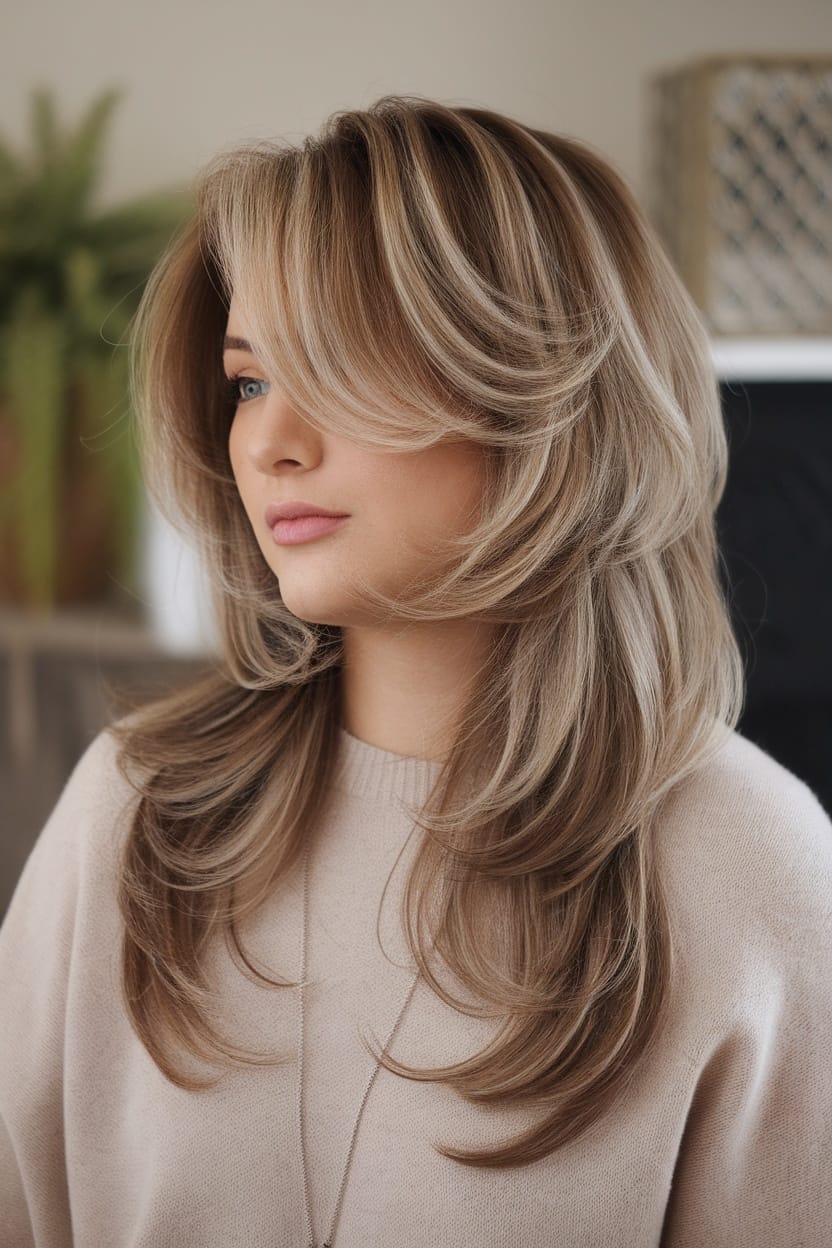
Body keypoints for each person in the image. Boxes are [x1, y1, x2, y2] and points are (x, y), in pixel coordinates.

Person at [1, 93, 831, 1248]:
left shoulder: (752, 872)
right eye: (249, 379)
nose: (268, 442)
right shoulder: (135, 811)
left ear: (539, 393)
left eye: (338, 364)